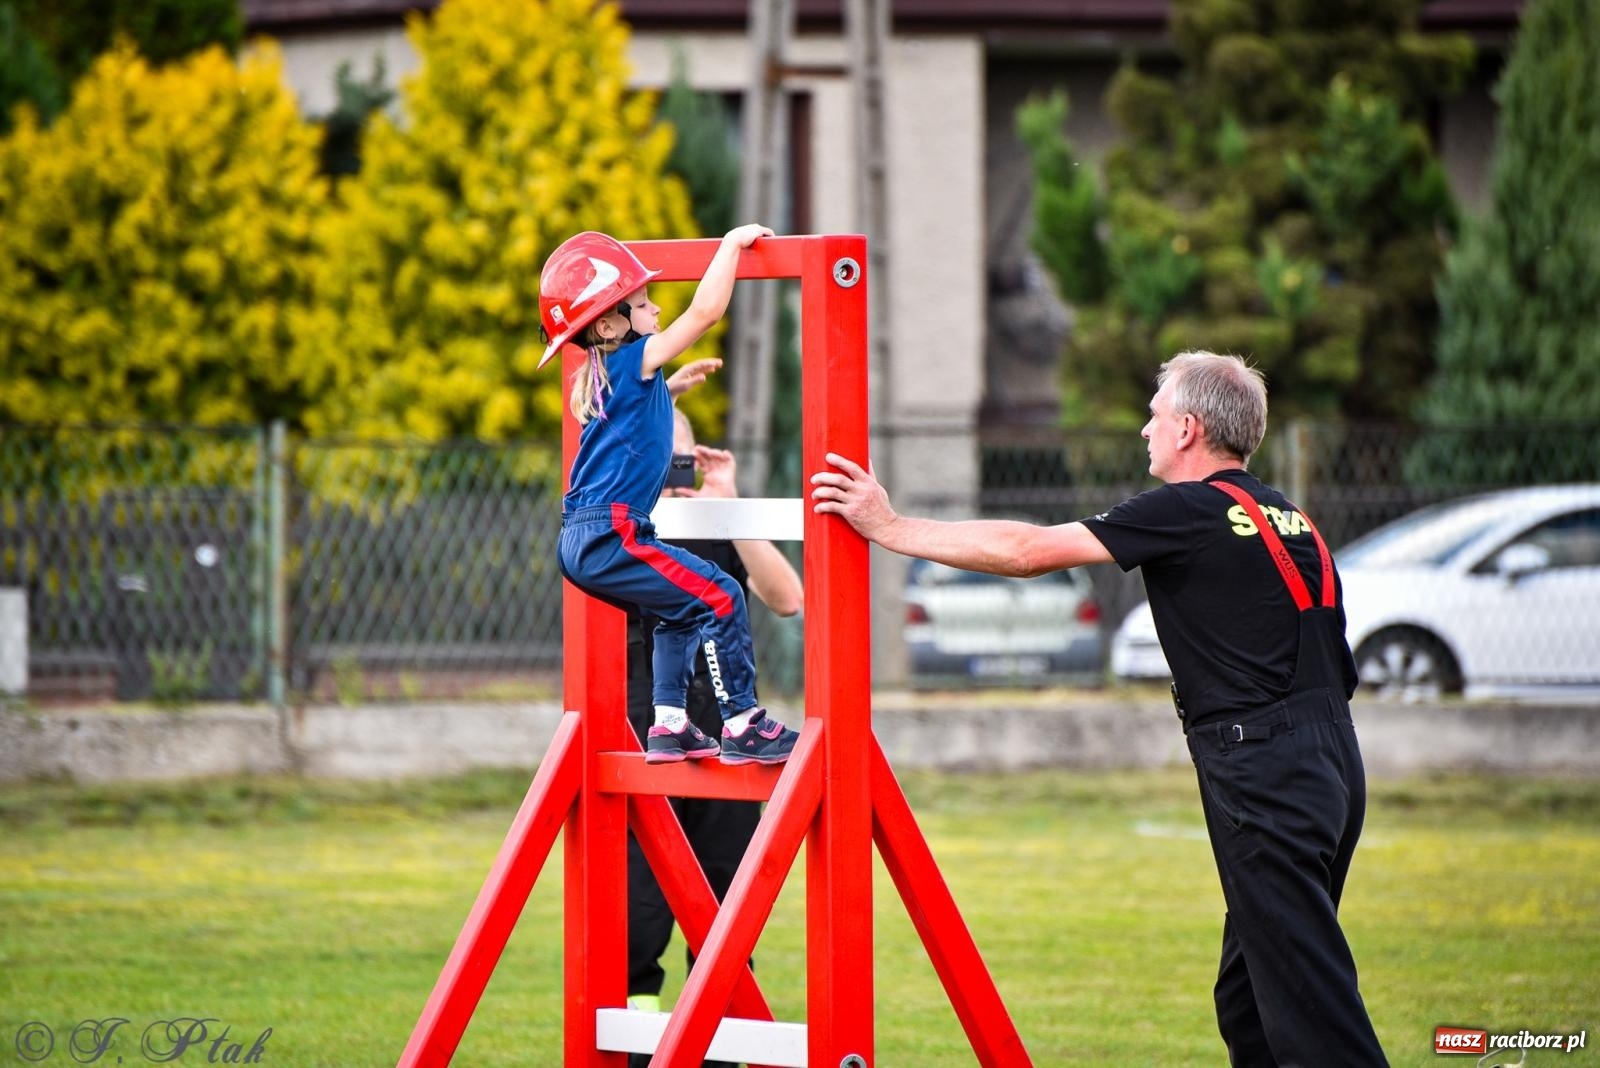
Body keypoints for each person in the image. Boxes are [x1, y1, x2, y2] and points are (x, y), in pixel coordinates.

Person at [809, 351, 1387, 1067]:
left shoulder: (1187, 509)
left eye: (1153, 416)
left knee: (1312, 1013)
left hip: (1266, 773)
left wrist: (889, 526)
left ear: (1187, 429)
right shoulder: (1288, 516)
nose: (1144, 429)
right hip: (1329, 760)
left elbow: (1027, 550)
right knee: (1249, 1001)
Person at [540, 225, 800, 766]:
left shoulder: (607, 376)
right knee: (722, 594)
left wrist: (672, 387)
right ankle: (743, 724)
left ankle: (671, 725)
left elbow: (634, 429)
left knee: (679, 612)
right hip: (612, 534)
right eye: (643, 302)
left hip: (586, 539)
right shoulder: (633, 360)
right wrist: (729, 246)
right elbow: (704, 314)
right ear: (611, 322)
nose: (656, 310)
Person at [625, 410, 803, 1068]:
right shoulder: (621, 524)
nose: (673, 470)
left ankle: (721, 1046)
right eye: (656, 453)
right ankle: (637, 1045)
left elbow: (787, 597)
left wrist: (730, 509)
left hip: (726, 743)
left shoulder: (714, 522)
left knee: (728, 903)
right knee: (637, 914)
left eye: (680, 455)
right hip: (647, 736)